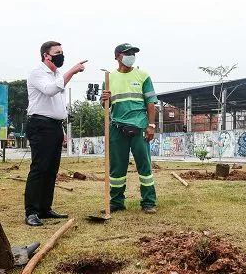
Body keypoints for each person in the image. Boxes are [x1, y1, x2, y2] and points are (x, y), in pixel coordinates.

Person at [24, 41, 87, 226]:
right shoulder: (38, 72)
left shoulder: (57, 74)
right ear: (46, 55)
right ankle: (31, 212)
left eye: (62, 52)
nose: (61, 55)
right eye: (57, 52)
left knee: (51, 170)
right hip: (40, 125)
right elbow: (50, 90)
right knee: (39, 169)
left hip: (54, 126)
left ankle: (45, 208)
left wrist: (61, 129)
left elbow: (57, 103)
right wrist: (72, 72)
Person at [100, 43, 158, 214]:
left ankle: (148, 201)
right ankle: (116, 201)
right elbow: (106, 107)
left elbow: (151, 103)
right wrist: (104, 99)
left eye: (133, 53)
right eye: (128, 53)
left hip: (139, 127)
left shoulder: (143, 76)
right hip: (117, 128)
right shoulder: (109, 78)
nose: (131, 55)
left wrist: (151, 125)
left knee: (144, 165)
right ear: (117, 56)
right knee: (117, 168)